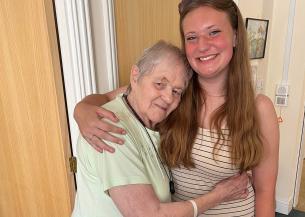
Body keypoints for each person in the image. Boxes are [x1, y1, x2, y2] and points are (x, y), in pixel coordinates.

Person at [74, 0, 279, 216]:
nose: (202, 45)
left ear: (236, 36)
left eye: (214, 32)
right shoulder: (172, 94)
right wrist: (82, 109)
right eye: (192, 37)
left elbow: (265, 192)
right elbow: (106, 98)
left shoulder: (259, 108)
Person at [72, 40, 249, 217]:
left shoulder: (150, 117)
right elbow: (147, 215)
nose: (167, 98)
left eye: (176, 91)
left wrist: (83, 106)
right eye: (159, 84)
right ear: (135, 76)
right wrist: (219, 195)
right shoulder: (110, 128)